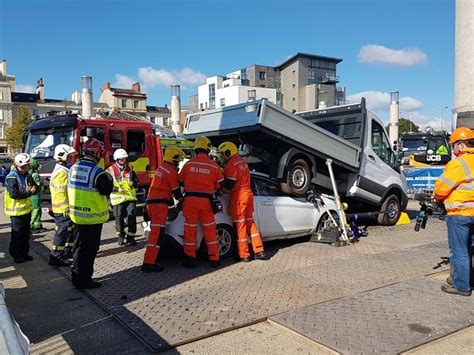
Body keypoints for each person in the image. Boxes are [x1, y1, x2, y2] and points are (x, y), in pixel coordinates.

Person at [68, 138, 113, 289]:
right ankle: (85, 280)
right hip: (92, 219)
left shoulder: (73, 168)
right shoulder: (97, 172)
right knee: (89, 252)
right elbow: (106, 190)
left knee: (77, 249)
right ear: (96, 153)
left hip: (76, 216)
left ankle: (76, 277)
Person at [434, 127, 474, 297]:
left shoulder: (458, 163)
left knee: (459, 251)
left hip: (460, 214)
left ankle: (461, 286)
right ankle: (464, 278)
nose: (453, 149)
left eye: (454, 145)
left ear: (461, 145)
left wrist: (436, 197)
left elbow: (441, 188)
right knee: (470, 249)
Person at [218, 141, 269, 262]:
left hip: (239, 196)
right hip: (248, 195)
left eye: (223, 154)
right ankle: (259, 250)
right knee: (250, 223)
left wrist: (222, 189)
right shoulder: (243, 162)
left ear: (228, 152)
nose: (222, 157)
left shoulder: (231, 164)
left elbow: (229, 184)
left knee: (240, 226)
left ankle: (244, 254)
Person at [179, 136, 224, 268]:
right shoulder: (214, 166)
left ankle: (190, 259)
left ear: (196, 149)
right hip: (207, 202)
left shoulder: (189, 164)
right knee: (210, 230)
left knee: (190, 230)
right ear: (208, 150)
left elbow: (180, 181)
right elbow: (220, 185)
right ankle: (214, 259)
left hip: (191, 201)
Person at [142, 146, 185, 272]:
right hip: (159, 206)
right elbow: (176, 192)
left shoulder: (162, 168)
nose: (179, 162)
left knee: (158, 233)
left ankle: (155, 257)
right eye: (178, 159)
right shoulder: (170, 171)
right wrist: (183, 200)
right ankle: (149, 263)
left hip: (153, 204)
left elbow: (165, 190)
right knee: (157, 234)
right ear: (174, 158)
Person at [4, 153, 37, 263]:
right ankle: (17, 255)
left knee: (25, 234)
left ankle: (24, 253)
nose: (29, 166)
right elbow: (14, 194)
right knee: (17, 235)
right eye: (28, 165)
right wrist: (29, 193)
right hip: (16, 212)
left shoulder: (27, 175)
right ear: (21, 165)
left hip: (26, 210)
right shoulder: (12, 177)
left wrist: (33, 190)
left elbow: (35, 187)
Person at [49, 144, 78, 267]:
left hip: (65, 208)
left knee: (69, 231)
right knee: (61, 232)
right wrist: (65, 206)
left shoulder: (63, 169)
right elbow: (60, 191)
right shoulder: (61, 172)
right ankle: (55, 257)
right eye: (70, 156)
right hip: (62, 209)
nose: (71, 158)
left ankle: (66, 252)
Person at [107, 149, 139, 246]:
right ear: (116, 159)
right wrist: (116, 190)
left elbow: (137, 182)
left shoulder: (130, 168)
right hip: (117, 199)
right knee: (119, 217)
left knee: (132, 216)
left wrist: (133, 183)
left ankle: (131, 237)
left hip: (130, 197)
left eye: (124, 159)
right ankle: (121, 236)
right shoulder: (110, 171)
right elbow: (107, 186)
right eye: (121, 159)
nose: (123, 161)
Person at [29, 159, 45, 233]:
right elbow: (38, 184)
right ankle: (33, 225)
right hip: (36, 195)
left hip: (31, 196)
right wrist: (42, 182)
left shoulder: (28, 174)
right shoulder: (35, 175)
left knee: (35, 210)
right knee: (36, 210)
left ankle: (37, 225)